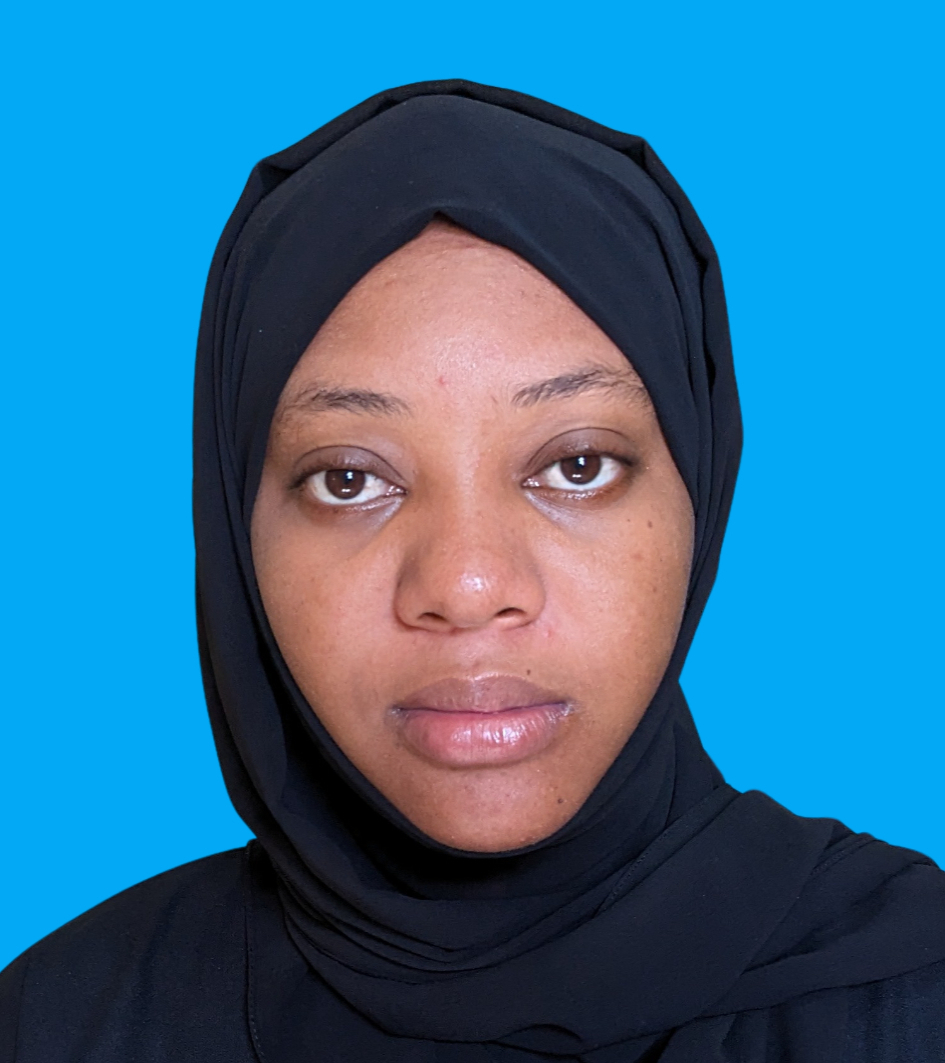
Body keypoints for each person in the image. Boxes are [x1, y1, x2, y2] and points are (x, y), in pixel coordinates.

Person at [2, 79, 944, 1063]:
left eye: (576, 466)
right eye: (348, 478)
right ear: (236, 529)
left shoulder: (912, 1004)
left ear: (700, 492)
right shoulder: (59, 1026)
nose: (465, 585)